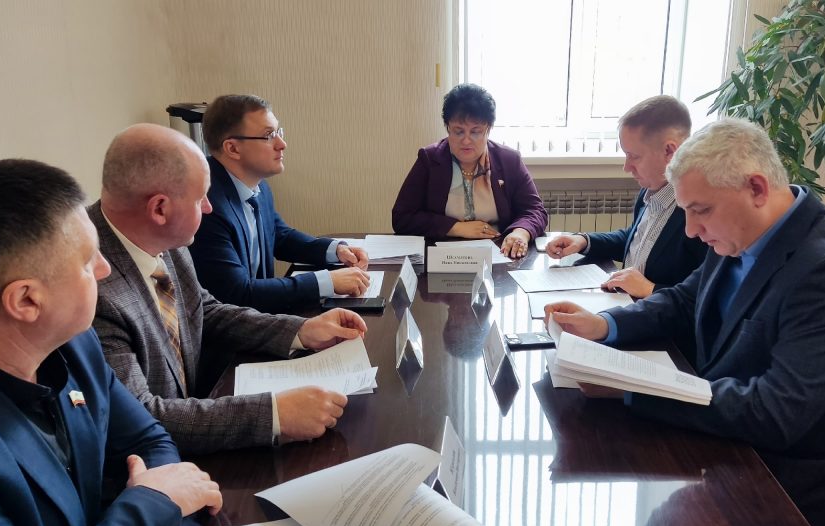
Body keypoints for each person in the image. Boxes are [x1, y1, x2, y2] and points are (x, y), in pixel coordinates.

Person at [545, 118, 825, 526]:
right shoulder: (744, 231)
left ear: (757, 189)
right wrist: (604, 324)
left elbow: (776, 413)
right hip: (727, 441)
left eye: (700, 211)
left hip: (784, 492)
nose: (691, 230)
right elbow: (685, 299)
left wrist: (631, 388)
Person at [0, 159, 220, 526]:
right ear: (26, 300)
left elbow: (149, 442)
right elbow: (159, 493)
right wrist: (150, 510)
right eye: (87, 260)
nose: (105, 268)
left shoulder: (70, 338)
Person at [92, 124, 368, 455]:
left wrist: (302, 330)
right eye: (200, 199)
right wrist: (274, 415)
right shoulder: (93, 286)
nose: (209, 208)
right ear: (160, 209)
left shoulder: (161, 235)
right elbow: (141, 417)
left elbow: (204, 311)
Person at [188, 94, 370, 313]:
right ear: (233, 148)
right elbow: (236, 294)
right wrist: (326, 282)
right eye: (268, 135)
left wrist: (336, 250)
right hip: (230, 326)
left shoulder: (258, 185)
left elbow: (279, 236)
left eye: (278, 132)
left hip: (260, 316)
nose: (282, 144)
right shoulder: (206, 205)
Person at [545, 95, 707, 298]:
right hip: (624, 302)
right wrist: (583, 241)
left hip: (656, 312)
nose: (626, 167)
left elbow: (705, 296)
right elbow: (636, 239)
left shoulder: (699, 213)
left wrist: (651, 290)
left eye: (634, 156)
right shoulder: (650, 190)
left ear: (669, 151)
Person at [392, 83, 547, 258]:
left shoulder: (509, 160)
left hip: (498, 254)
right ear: (448, 127)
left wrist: (520, 232)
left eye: (475, 132)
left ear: (488, 129)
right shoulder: (430, 160)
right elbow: (402, 217)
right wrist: (456, 228)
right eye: (458, 131)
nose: (466, 141)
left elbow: (535, 210)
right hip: (442, 256)